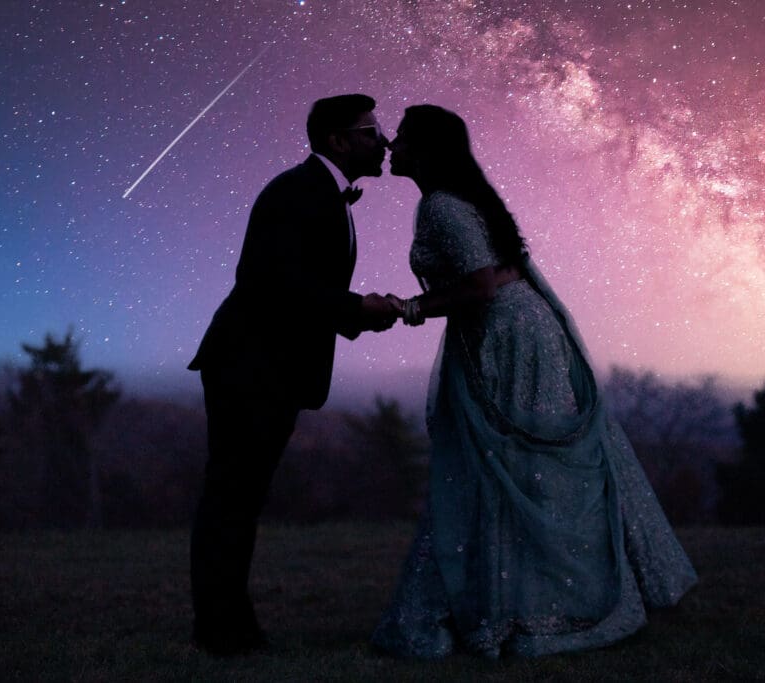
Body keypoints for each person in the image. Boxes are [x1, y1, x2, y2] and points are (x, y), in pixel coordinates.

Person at [372, 105, 698, 659]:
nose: (389, 144)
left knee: (512, 467)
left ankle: (533, 608)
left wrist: (407, 307)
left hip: (508, 341)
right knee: (520, 468)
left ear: (425, 150)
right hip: (514, 333)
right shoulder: (457, 200)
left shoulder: (443, 207)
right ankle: (526, 595)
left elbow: (480, 286)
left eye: (400, 137)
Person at [187, 94, 397, 656]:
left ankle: (231, 627)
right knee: (232, 497)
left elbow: (302, 289)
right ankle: (222, 632)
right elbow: (279, 286)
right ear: (338, 141)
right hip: (250, 369)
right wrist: (359, 310)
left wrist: (358, 313)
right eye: (372, 131)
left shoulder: (322, 194)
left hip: (267, 369)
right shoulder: (297, 193)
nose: (385, 141)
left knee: (240, 498)